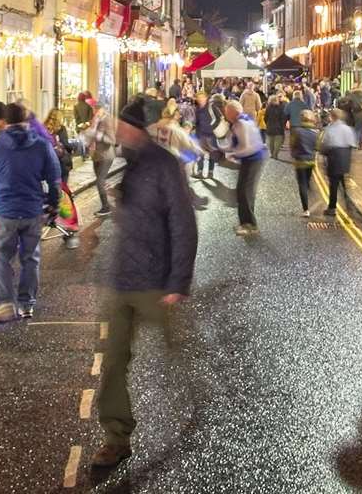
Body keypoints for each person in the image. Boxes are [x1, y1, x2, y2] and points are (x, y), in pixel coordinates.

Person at [91, 97, 198, 474]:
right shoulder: (124, 162)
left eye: (123, 126)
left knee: (176, 352)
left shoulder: (163, 165)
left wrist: (178, 281)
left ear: (137, 128)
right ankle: (117, 437)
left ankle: (199, 399)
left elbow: (184, 224)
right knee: (115, 360)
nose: (118, 131)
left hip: (155, 280)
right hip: (124, 279)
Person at [0, 102, 61, 321]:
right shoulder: (42, 145)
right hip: (32, 210)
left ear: (5, 122)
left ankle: (4, 304)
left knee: (1, 258)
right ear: (26, 120)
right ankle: (27, 304)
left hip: (5, 210)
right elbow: (54, 178)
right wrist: (54, 205)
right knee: (30, 258)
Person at [223, 100, 266, 235]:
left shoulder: (241, 124)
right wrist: (220, 148)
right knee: (242, 191)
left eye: (226, 112)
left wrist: (232, 155)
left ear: (232, 112)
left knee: (245, 192)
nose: (225, 115)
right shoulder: (240, 122)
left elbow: (248, 147)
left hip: (254, 159)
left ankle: (251, 226)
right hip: (251, 159)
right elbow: (232, 145)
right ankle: (246, 223)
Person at [319, 107, 357, 217]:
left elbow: (325, 145)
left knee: (334, 186)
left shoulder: (330, 129)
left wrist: (323, 152)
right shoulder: (348, 129)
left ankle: (332, 208)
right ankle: (350, 207)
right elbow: (352, 144)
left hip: (334, 159)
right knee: (346, 186)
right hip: (345, 159)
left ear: (332, 117)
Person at [289, 98, 321, 217]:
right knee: (307, 182)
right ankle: (311, 197)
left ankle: (306, 209)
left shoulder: (296, 131)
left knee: (302, 184)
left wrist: (294, 154)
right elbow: (318, 147)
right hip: (311, 161)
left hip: (300, 161)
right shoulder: (316, 132)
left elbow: (292, 145)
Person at [90, 113, 118, 217]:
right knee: (101, 181)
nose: (95, 112)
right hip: (97, 155)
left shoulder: (106, 122)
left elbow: (112, 140)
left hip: (106, 156)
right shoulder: (95, 121)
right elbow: (91, 137)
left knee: (99, 181)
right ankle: (106, 204)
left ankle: (106, 207)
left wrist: (99, 136)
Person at [263, 92, 288, 160]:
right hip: (279, 128)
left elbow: (265, 118)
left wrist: (267, 124)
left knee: (270, 142)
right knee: (278, 142)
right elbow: (284, 117)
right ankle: (275, 154)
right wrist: (282, 125)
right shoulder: (282, 107)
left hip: (270, 127)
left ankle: (271, 153)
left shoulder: (268, 108)